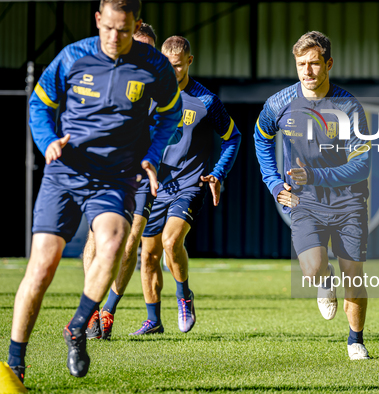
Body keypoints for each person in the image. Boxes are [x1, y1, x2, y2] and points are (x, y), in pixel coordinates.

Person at [7, 0, 181, 382]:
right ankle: (16, 361)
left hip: (116, 176)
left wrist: (152, 154)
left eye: (124, 29)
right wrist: (48, 140)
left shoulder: (154, 65)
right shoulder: (73, 57)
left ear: (135, 23)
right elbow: (39, 104)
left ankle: (78, 325)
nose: (115, 38)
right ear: (98, 20)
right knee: (42, 267)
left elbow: (171, 113)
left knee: (115, 242)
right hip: (66, 172)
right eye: (109, 29)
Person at [254, 31, 371, 360]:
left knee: (355, 275)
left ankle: (355, 340)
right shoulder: (280, 103)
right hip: (304, 201)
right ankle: (323, 281)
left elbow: (362, 164)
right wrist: (274, 183)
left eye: (314, 63)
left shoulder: (348, 106)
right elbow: (260, 137)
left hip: (348, 202)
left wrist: (318, 175)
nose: (307, 70)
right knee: (312, 269)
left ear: (328, 64)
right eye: (301, 64)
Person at [129, 35, 241, 335]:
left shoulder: (206, 101)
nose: (171, 71)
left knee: (170, 242)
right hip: (156, 186)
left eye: (177, 66)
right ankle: (153, 320)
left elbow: (233, 137)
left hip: (191, 185)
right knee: (149, 254)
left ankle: (183, 296)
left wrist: (218, 172)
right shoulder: (149, 96)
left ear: (189, 62)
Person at [82, 22, 163, 341]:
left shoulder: (162, 85)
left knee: (130, 242)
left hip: (142, 173)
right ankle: (89, 311)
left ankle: (107, 312)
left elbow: (174, 127)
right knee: (96, 239)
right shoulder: (106, 78)